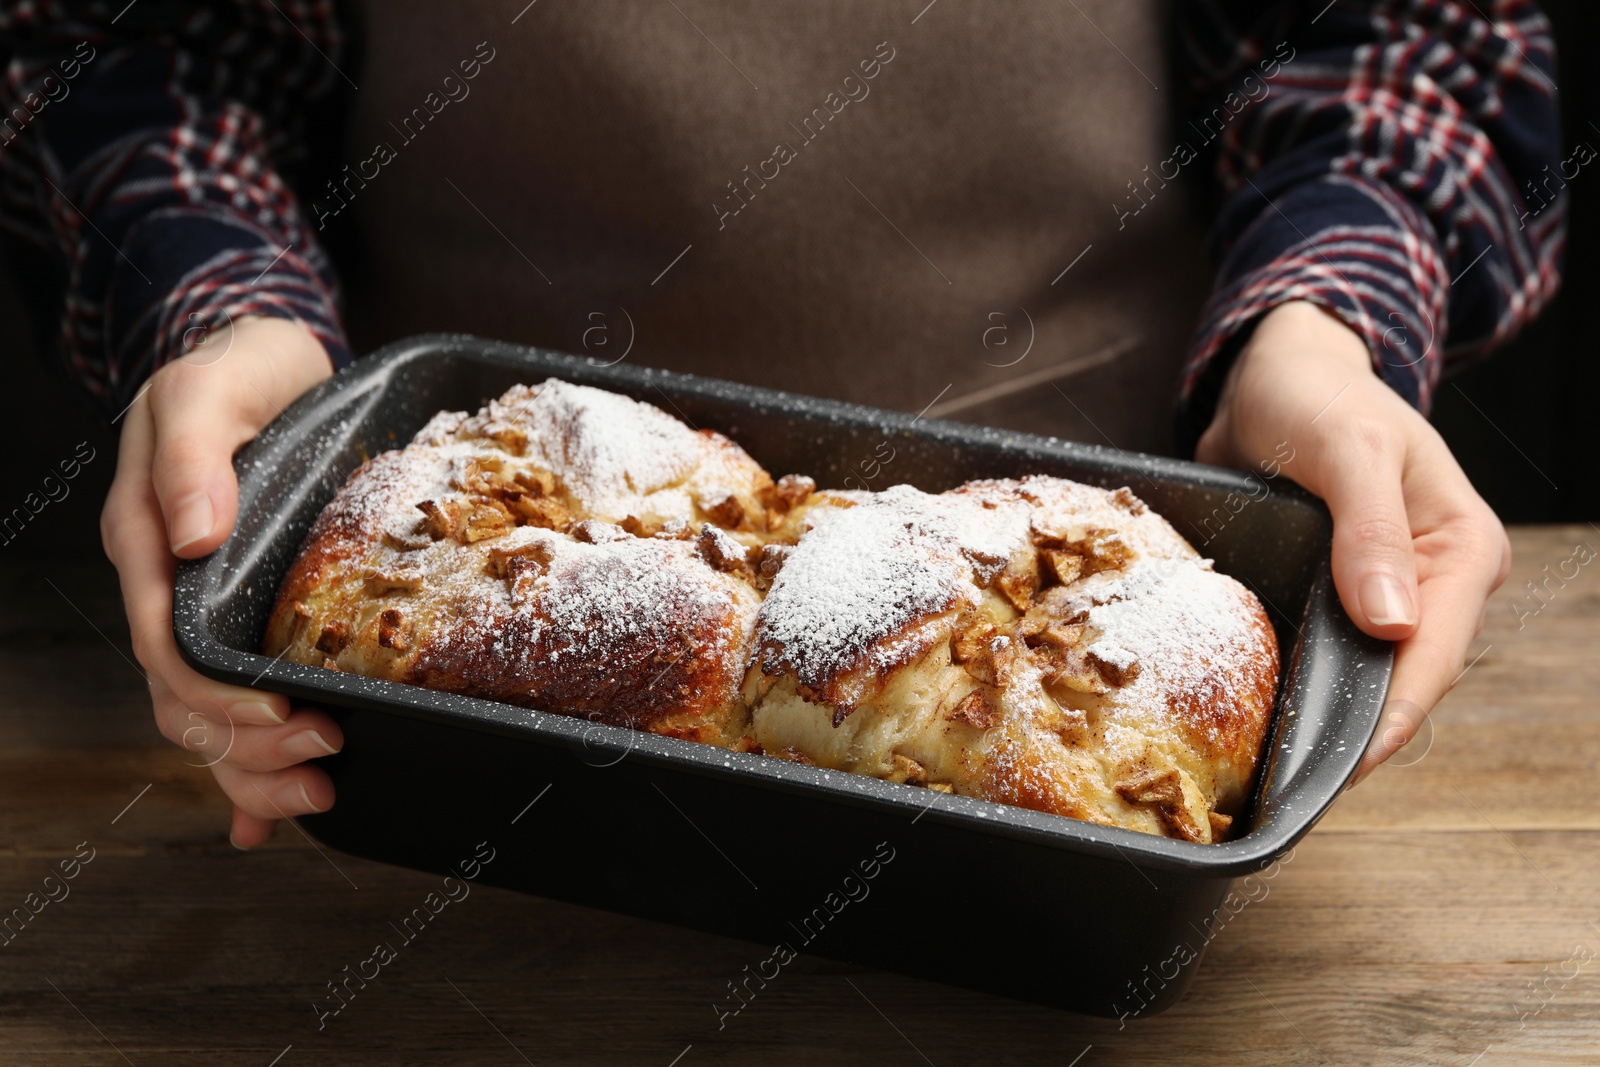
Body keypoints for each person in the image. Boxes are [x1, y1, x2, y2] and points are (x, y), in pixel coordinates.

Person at [0, 2, 1562, 848]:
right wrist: (230, 324)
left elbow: (1397, 35)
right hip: (467, 591)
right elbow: (143, 55)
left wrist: (1321, 325)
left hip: (1125, 523)